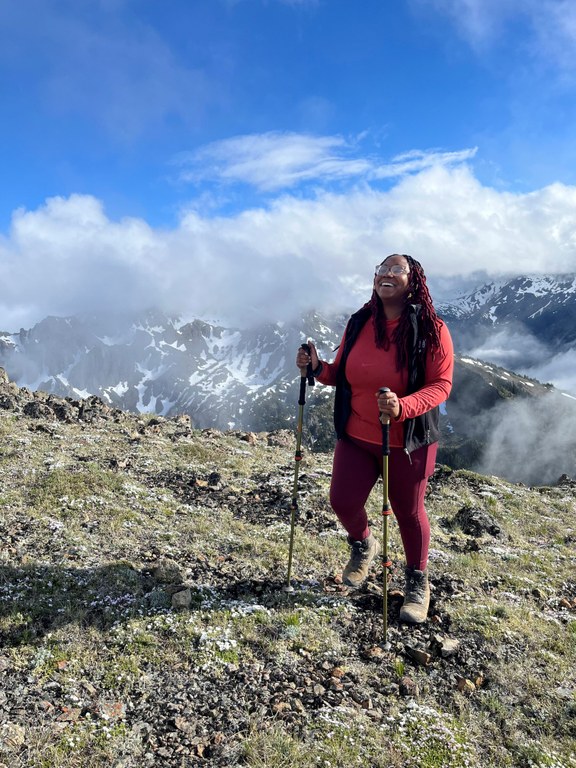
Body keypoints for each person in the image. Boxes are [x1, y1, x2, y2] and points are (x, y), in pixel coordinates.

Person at [296, 254, 454, 624]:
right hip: (356, 434)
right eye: (381, 269)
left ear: (413, 279)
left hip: (407, 441)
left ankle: (417, 580)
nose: (386, 274)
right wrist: (317, 368)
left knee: (408, 512)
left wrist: (404, 406)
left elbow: (441, 385)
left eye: (396, 269)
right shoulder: (360, 322)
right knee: (342, 501)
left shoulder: (431, 328)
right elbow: (344, 376)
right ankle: (364, 544)